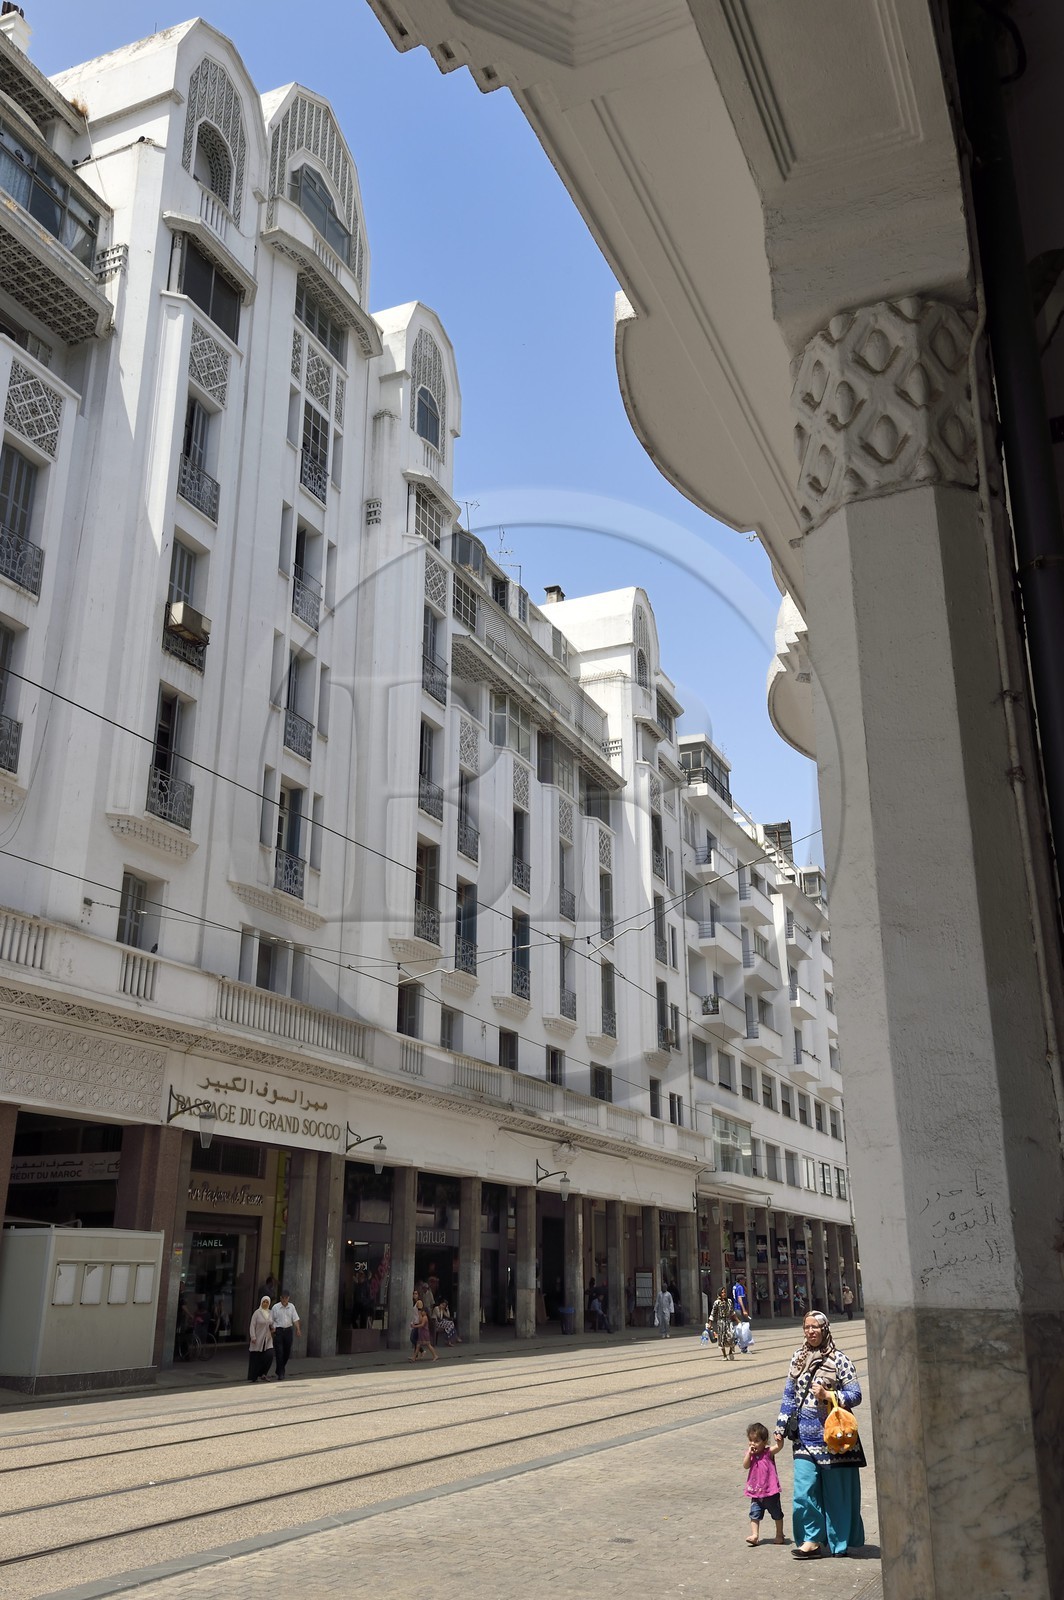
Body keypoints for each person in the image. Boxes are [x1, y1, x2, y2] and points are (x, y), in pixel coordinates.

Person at [774, 1311, 865, 1559]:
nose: (811, 1331)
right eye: (807, 1327)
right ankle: (811, 1540)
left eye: (815, 1327)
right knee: (804, 1491)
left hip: (834, 1440)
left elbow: (856, 1395)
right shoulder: (798, 1358)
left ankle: (839, 1542)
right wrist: (780, 1427)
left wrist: (829, 1396)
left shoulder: (840, 1360)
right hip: (803, 1439)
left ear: (825, 1330)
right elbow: (789, 1396)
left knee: (836, 1494)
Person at [743, 1422, 786, 1547]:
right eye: (751, 1441)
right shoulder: (751, 1454)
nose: (753, 1444)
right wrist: (749, 1454)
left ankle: (779, 1534)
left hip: (770, 1491)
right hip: (756, 1492)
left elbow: (778, 1447)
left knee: (777, 1514)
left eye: (756, 1441)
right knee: (754, 1514)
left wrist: (780, 1440)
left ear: (764, 1441)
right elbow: (745, 1466)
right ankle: (755, 1535)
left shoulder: (768, 1453)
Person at [270, 1288, 301, 1380]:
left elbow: (295, 1319)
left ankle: (279, 1369)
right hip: (279, 1331)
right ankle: (281, 1372)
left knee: (287, 1352)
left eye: (286, 1298)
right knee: (279, 1352)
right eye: (283, 1298)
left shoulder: (291, 1307)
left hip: (288, 1331)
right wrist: (273, 1328)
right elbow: (271, 1320)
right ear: (280, 1298)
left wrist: (298, 1329)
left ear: (288, 1298)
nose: (284, 1300)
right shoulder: (275, 1307)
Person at [248, 1295, 274, 1382]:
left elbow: (272, 1323)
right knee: (257, 1357)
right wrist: (253, 1336)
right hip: (258, 1338)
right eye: (264, 1302)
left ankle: (263, 1373)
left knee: (269, 1355)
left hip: (267, 1339)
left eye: (267, 1302)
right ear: (261, 1303)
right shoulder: (257, 1313)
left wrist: (273, 1328)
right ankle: (254, 1376)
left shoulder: (270, 1313)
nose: (265, 1304)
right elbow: (252, 1325)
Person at [711, 1287, 735, 1360]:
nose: (724, 1294)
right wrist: (710, 1323)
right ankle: (724, 1356)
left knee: (731, 1336)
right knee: (721, 1339)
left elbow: (732, 1312)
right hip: (721, 1323)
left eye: (724, 1292)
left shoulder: (729, 1301)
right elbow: (713, 1313)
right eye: (722, 1292)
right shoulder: (717, 1302)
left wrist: (738, 1321)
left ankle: (730, 1351)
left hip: (728, 1321)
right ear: (719, 1294)